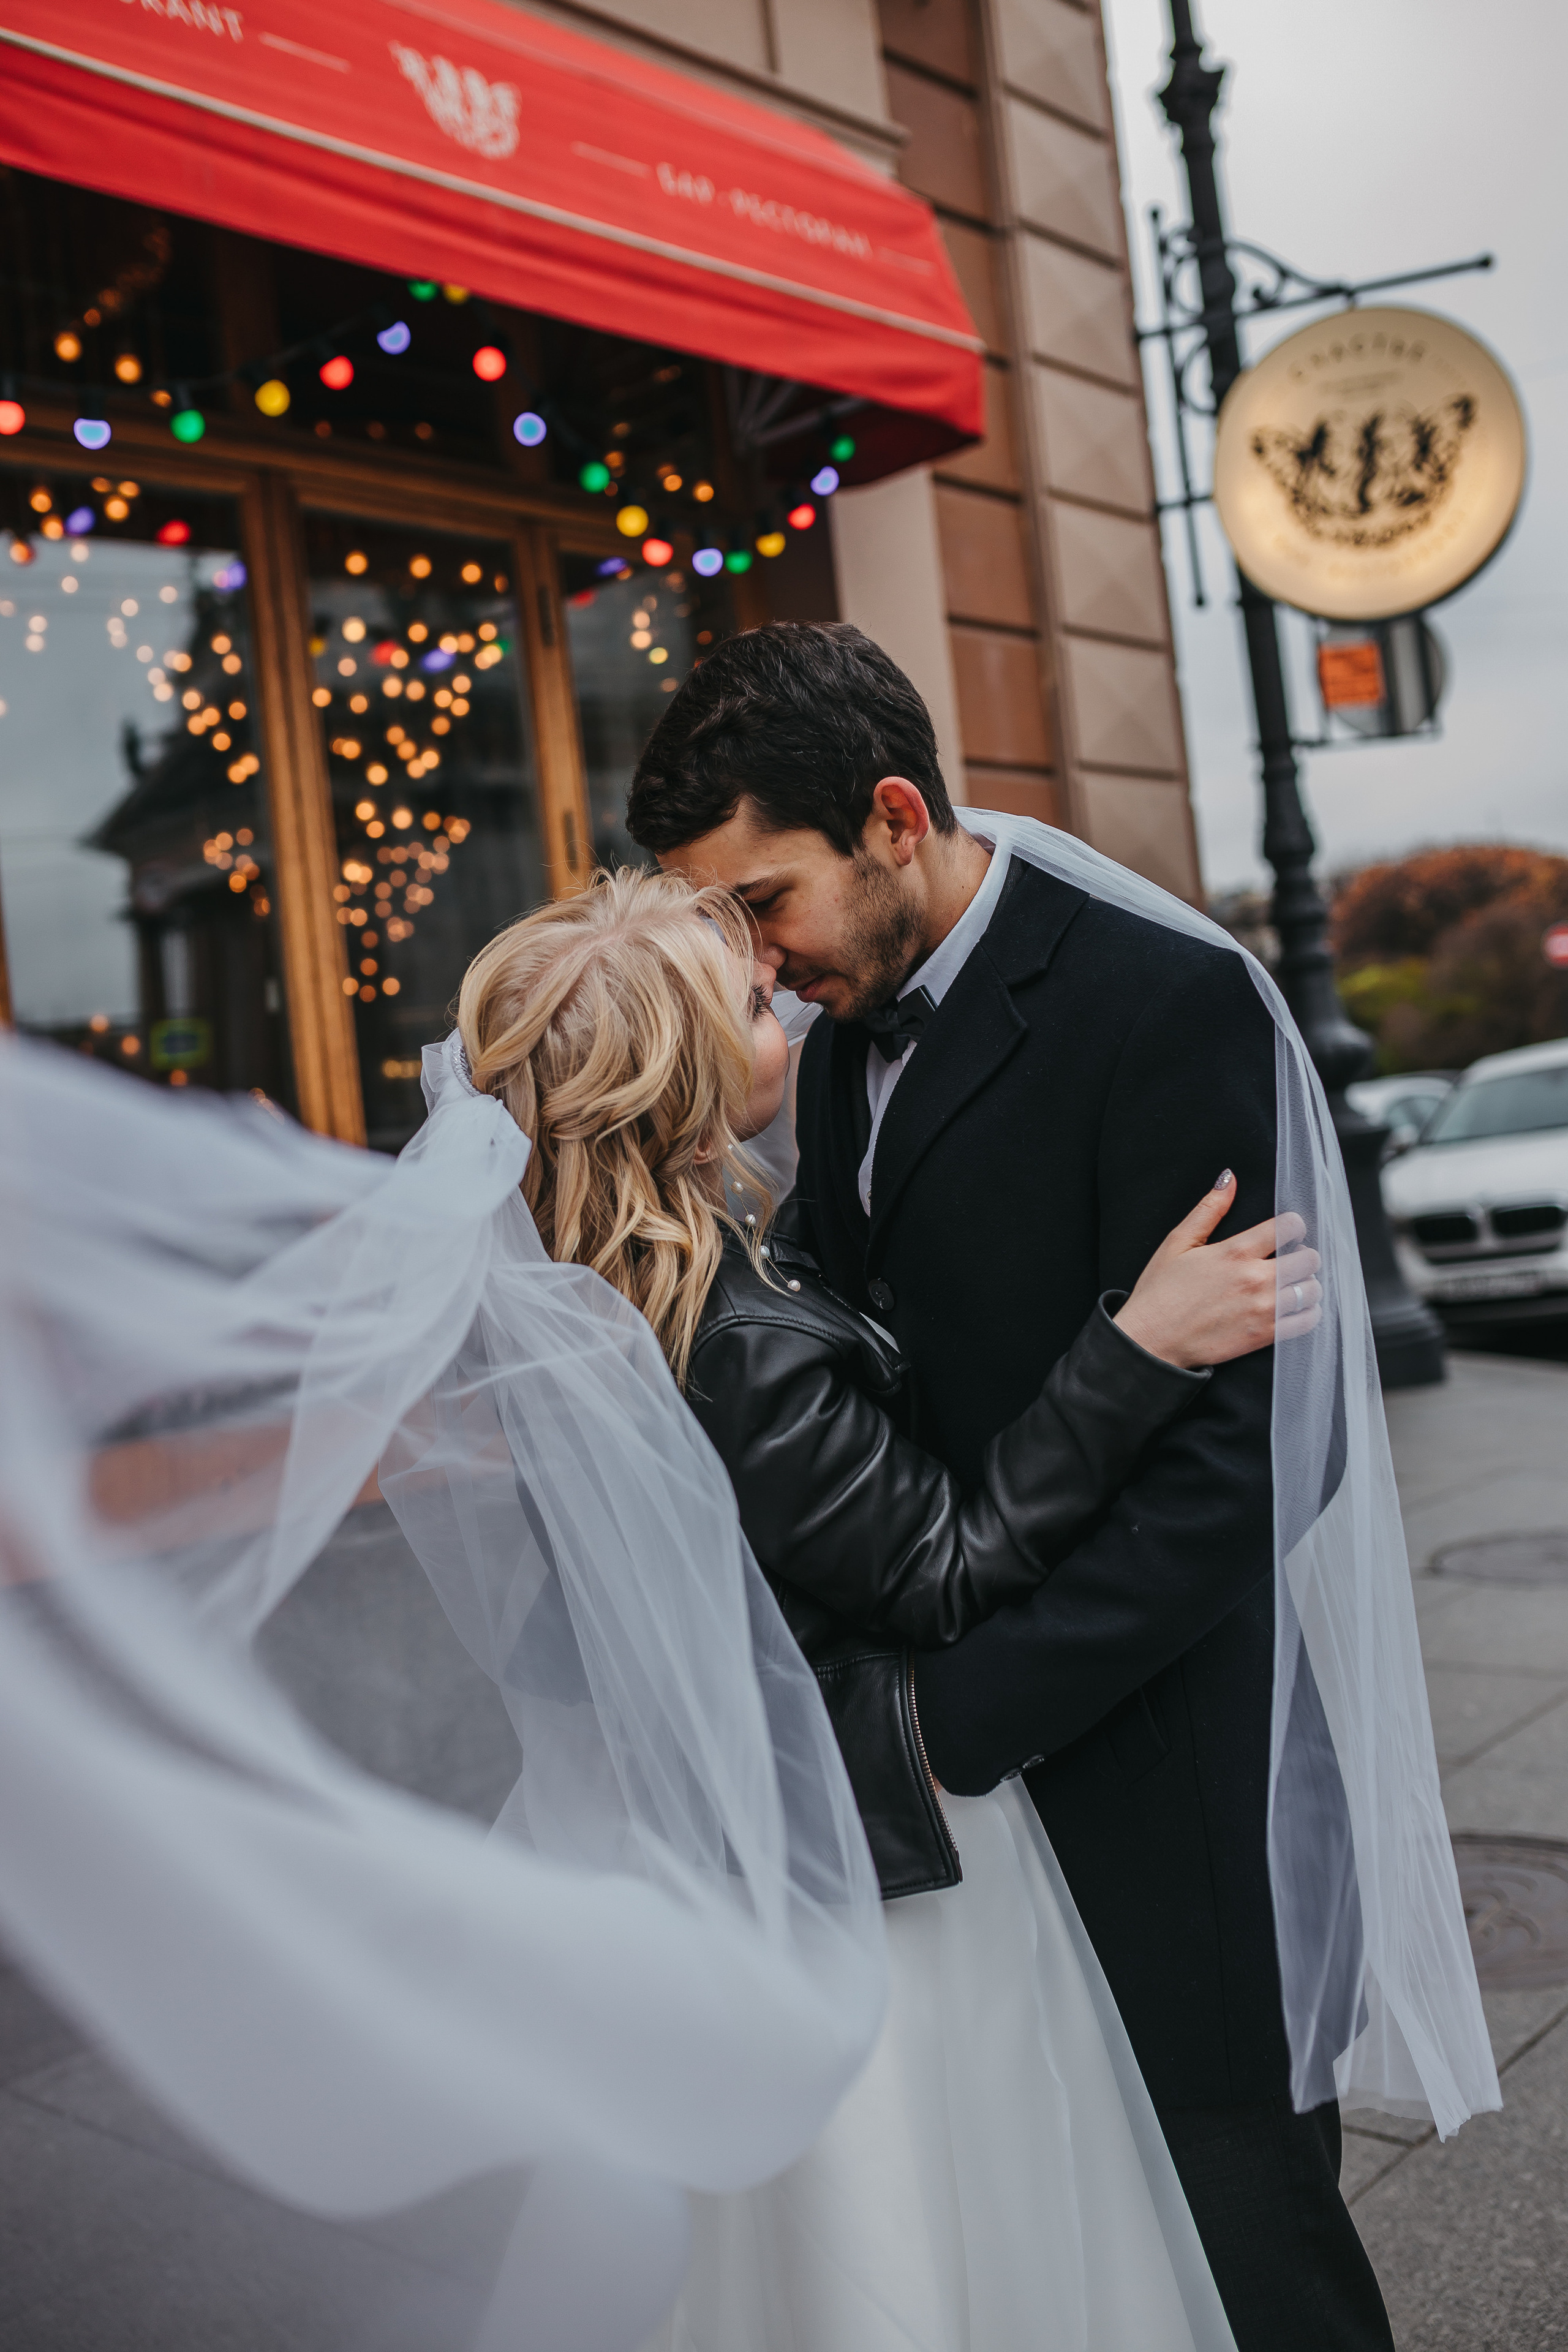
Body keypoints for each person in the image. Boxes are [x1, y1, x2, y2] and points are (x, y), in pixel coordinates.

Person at [624, 622, 1401, 2352]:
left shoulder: (1165, 1003)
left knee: (1251, 2262)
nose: (751, 957)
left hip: (1156, 1788)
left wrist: (961, 1725)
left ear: (894, 818)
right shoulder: (832, 1050)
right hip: (966, 1839)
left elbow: (1265, 1458)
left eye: (763, 903)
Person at [454, 865, 1318, 2350]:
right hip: (892, 1870)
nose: (781, 999)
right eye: (743, 1004)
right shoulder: (731, 1339)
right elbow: (937, 1567)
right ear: (680, 1078)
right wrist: (1136, 1348)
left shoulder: (617, 1296)